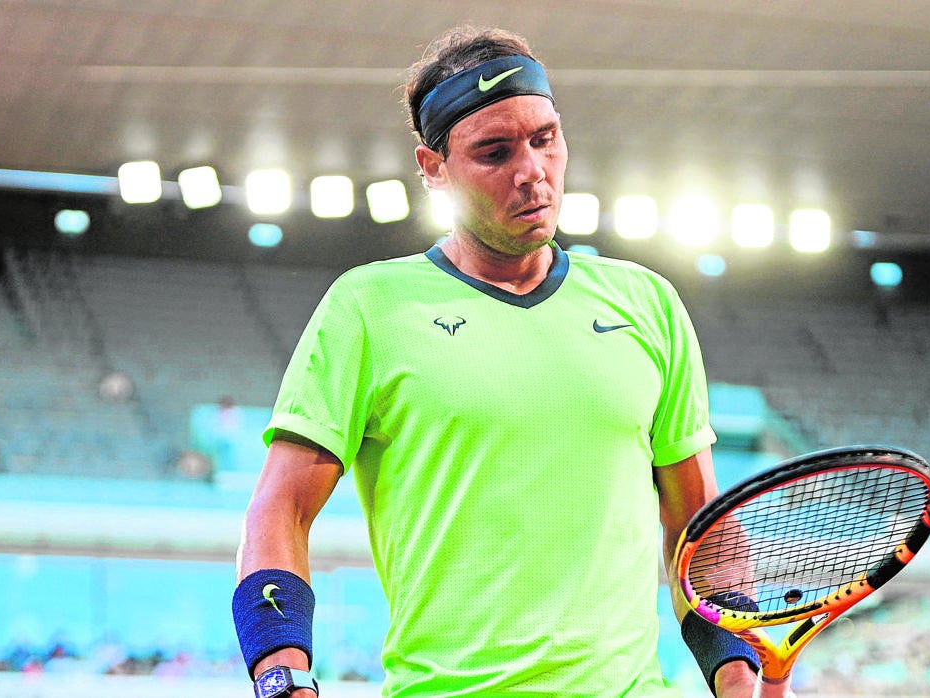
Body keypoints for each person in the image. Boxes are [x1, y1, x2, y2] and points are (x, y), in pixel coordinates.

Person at [233, 25, 769, 697]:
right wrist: (283, 675)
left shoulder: (648, 305)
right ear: (434, 168)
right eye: (494, 151)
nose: (532, 171)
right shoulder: (367, 308)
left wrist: (741, 670)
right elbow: (278, 510)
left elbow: (696, 525)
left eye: (545, 138)